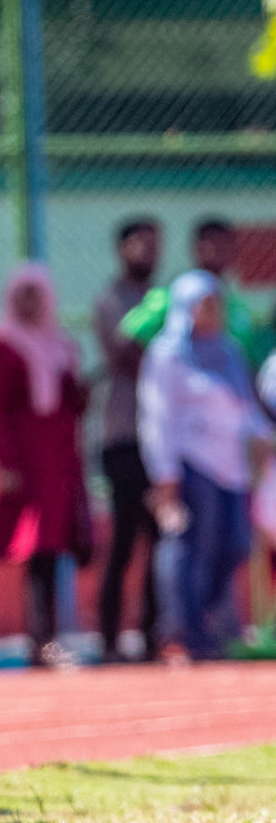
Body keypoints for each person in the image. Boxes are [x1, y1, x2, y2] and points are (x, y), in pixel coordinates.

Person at [138, 271, 273, 660]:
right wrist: (165, 475)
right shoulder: (167, 354)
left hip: (232, 467)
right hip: (191, 463)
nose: (210, 311)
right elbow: (157, 417)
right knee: (188, 548)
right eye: (203, 303)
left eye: (215, 302)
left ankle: (207, 619)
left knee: (233, 544)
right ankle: (183, 632)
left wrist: (263, 434)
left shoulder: (228, 351)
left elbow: (243, 406)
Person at [0, 263, 91, 667]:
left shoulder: (60, 345)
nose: (29, 303)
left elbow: (70, 408)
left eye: (35, 294)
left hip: (55, 464)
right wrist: (4, 460)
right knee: (27, 546)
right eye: (21, 293)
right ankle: (35, 637)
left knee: (52, 548)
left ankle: (48, 637)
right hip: (23, 461)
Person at [94, 218, 162, 662]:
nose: (149, 252)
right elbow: (126, 356)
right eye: (139, 244)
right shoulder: (109, 301)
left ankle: (156, 636)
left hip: (165, 442)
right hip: (124, 437)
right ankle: (109, 637)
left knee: (161, 542)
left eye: (155, 245)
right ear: (121, 249)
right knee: (123, 541)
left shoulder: (165, 300)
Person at [120, 217, 262, 363]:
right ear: (197, 248)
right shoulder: (172, 296)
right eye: (212, 243)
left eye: (225, 245)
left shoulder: (237, 308)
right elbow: (128, 340)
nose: (219, 250)